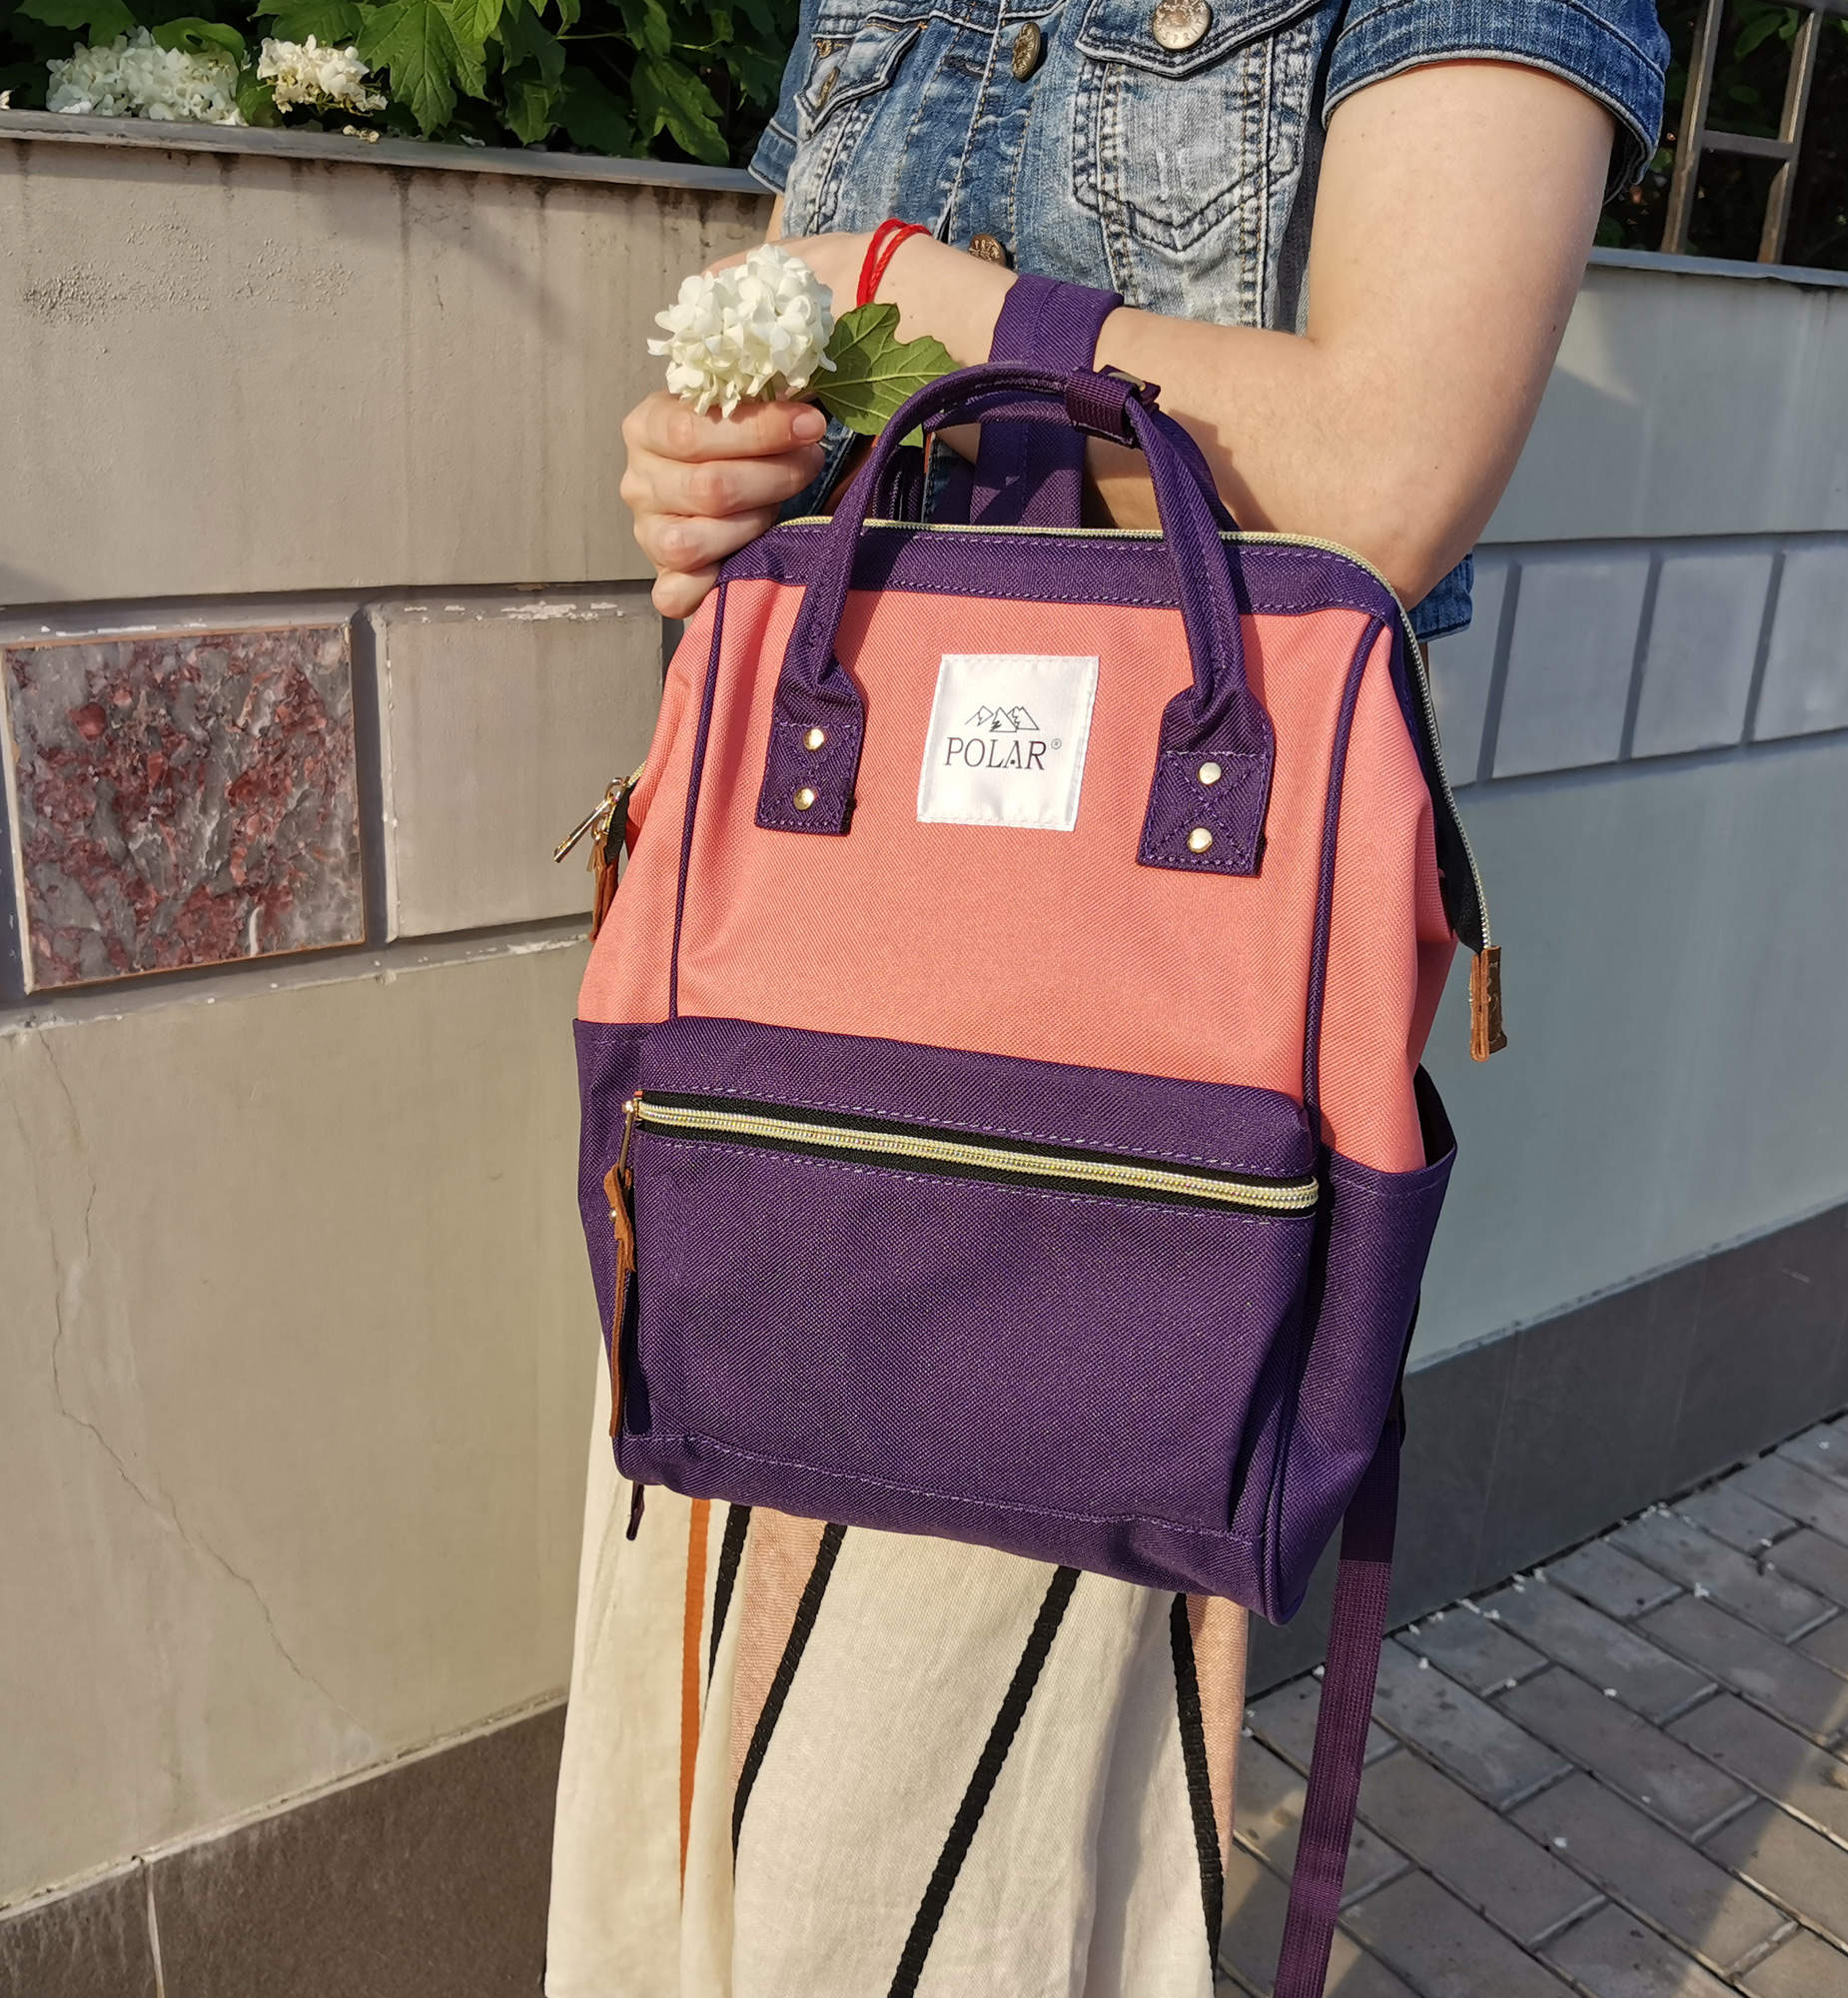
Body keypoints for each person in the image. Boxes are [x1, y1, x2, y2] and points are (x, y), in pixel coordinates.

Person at [548, 1, 1666, 1988]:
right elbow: (799, 394)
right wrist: (709, 476)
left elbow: (1388, 471)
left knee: (914, 1871)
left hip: (1104, 1105)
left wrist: (924, 301)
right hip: (757, 1043)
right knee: (680, 1820)